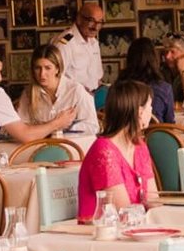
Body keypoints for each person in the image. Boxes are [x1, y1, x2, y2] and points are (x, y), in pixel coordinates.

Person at [77, 78, 159, 220]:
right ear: (140, 112)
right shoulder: (104, 151)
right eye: (150, 106)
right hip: (100, 233)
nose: (151, 111)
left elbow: (153, 201)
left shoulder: (139, 146)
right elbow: (123, 211)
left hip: (134, 228)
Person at [14, 43, 97, 138]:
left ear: (57, 68)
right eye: (38, 68)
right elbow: (22, 127)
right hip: (40, 147)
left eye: (47, 68)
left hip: (72, 147)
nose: (42, 74)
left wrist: (64, 128)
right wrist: (55, 124)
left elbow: (92, 126)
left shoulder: (75, 90)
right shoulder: (28, 93)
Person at [122, 36, 175, 124]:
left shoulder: (119, 87)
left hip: (126, 135)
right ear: (154, 59)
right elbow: (170, 123)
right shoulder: (164, 88)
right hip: (155, 135)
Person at [58, 0, 105, 95]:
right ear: (79, 19)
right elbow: (56, 78)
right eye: (91, 21)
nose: (96, 27)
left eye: (100, 22)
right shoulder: (65, 43)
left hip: (93, 99)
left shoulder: (94, 43)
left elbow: (97, 77)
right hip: (74, 100)